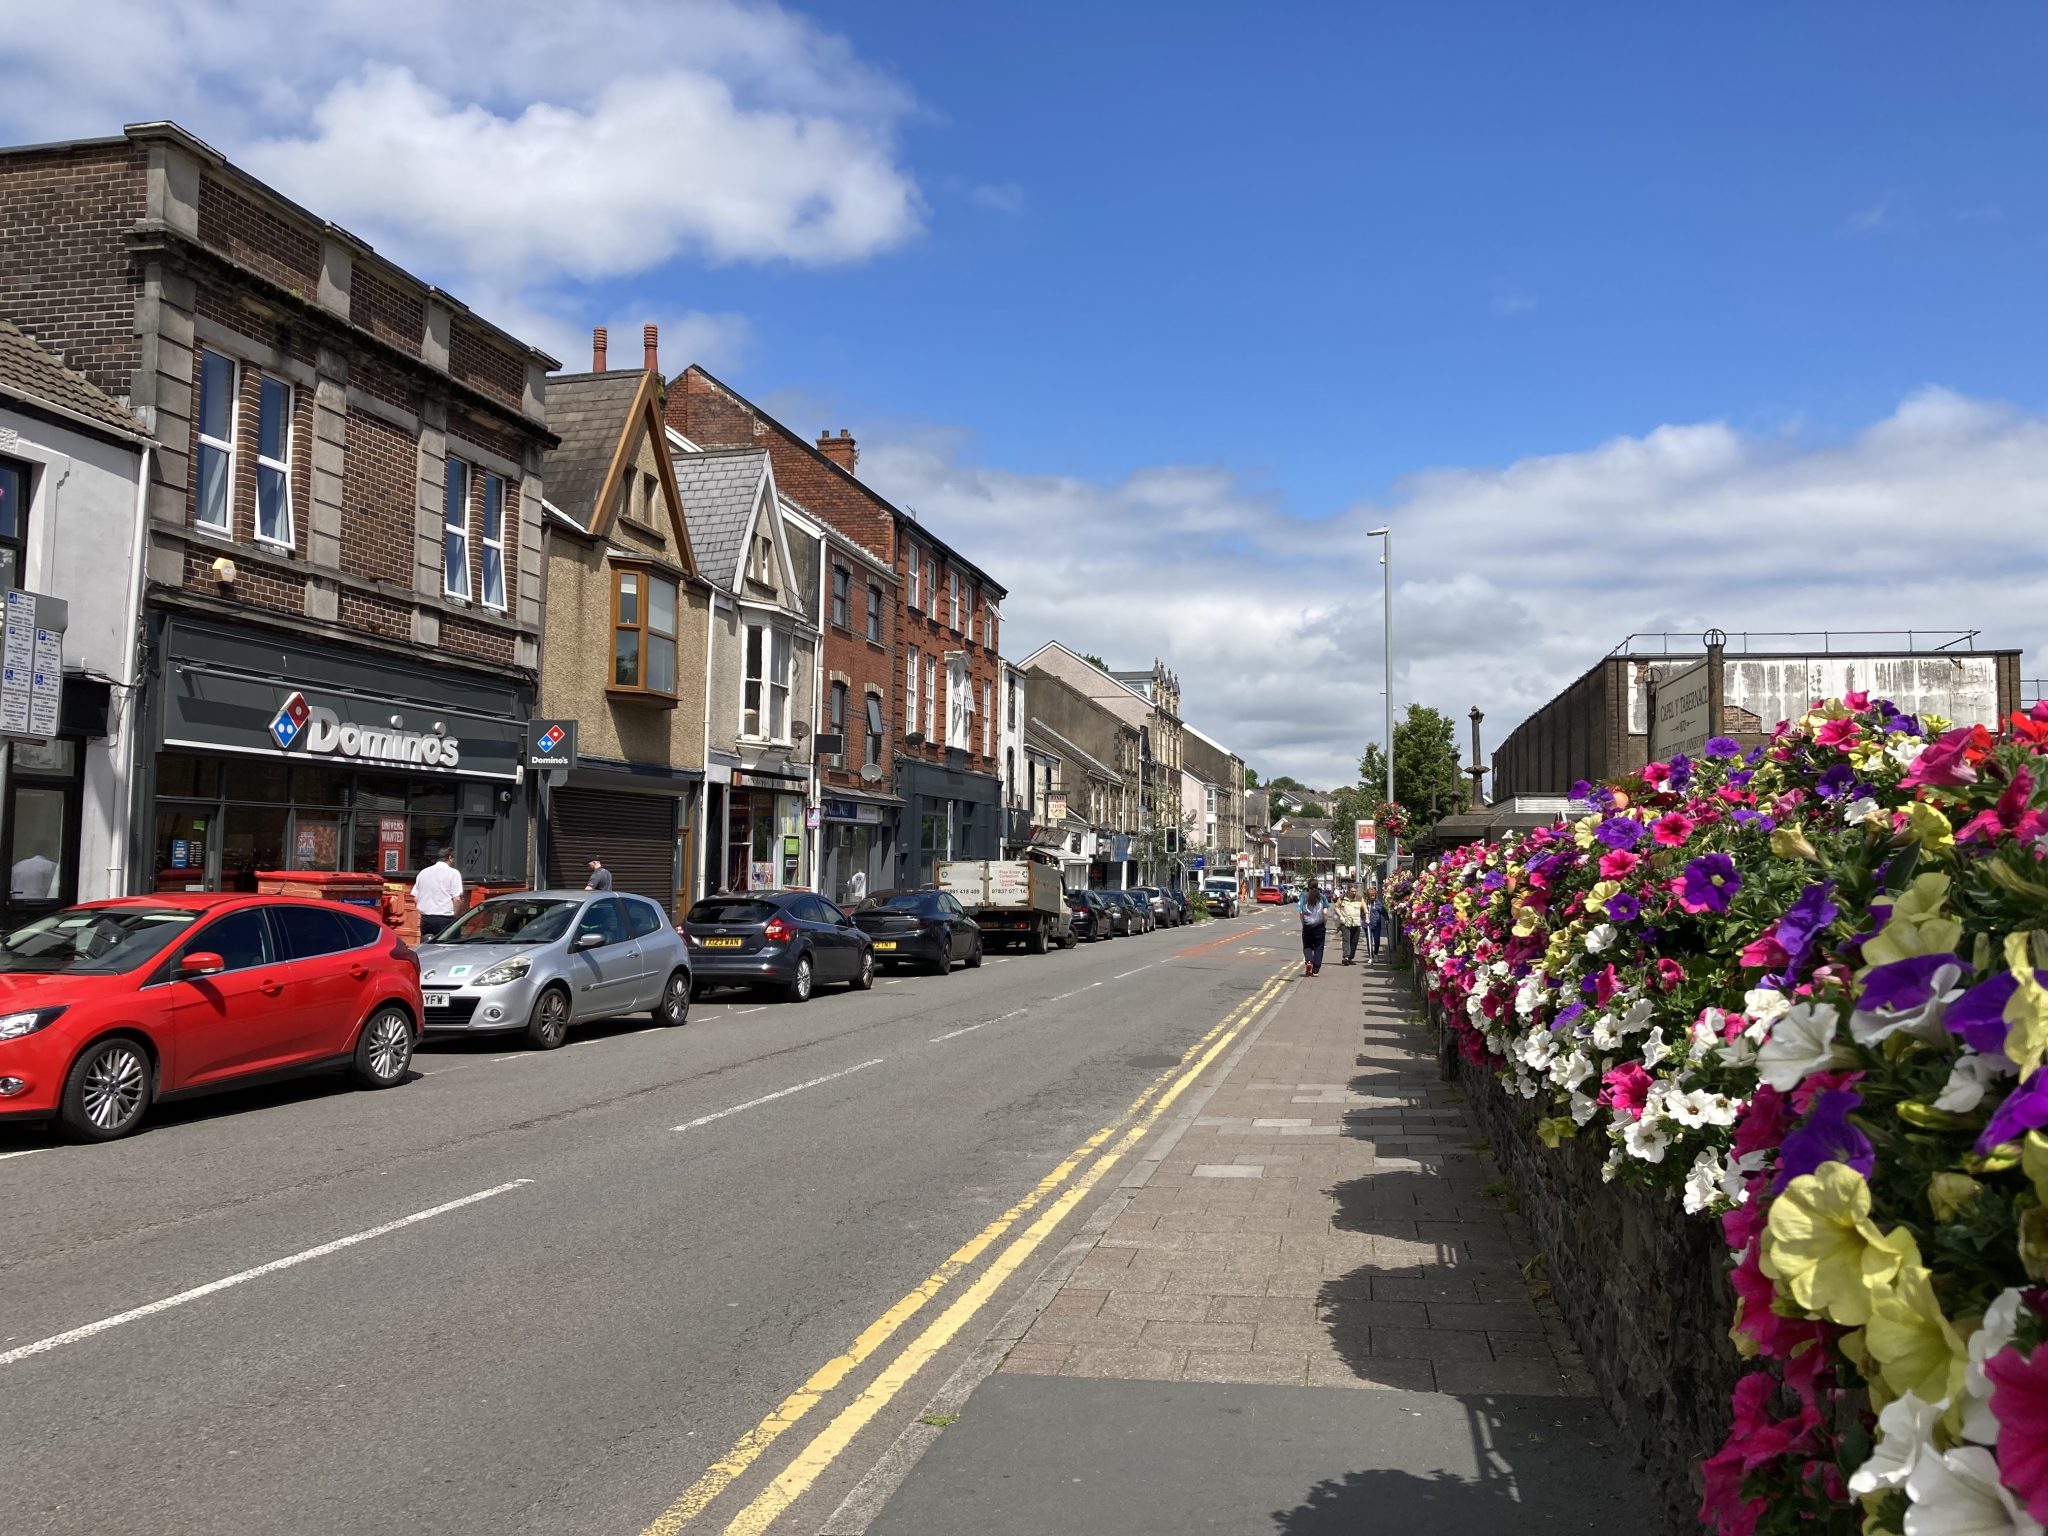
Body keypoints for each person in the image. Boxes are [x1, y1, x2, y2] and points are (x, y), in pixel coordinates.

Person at [413, 847, 463, 939]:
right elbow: (457, 899)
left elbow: (415, 897)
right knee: (447, 950)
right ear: (450, 857)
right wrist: (456, 916)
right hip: (445, 919)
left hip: (426, 919)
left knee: (427, 949)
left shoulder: (423, 873)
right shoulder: (453, 873)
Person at [1298, 879, 1329, 977]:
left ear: (1308, 887)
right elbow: (1325, 913)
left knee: (1307, 946)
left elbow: (1301, 913)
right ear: (1317, 886)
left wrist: (1304, 924)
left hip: (1307, 926)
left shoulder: (1303, 897)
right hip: (1319, 926)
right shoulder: (1322, 897)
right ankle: (1315, 970)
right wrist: (1324, 924)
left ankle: (1309, 961)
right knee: (1318, 948)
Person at [1333, 884, 1364, 965]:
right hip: (1345, 923)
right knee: (1346, 940)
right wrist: (1341, 916)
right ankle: (1346, 957)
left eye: (1355, 891)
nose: (1354, 893)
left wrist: (1367, 917)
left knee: (1354, 941)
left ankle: (1350, 958)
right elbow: (1336, 907)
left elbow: (1364, 908)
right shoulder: (1342, 897)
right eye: (1352, 891)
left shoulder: (1359, 898)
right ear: (1348, 890)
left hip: (1356, 923)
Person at [1368, 892, 1389, 962]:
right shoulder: (1366, 903)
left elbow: (1384, 912)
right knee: (1369, 941)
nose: (1372, 897)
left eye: (1373, 896)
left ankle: (1375, 953)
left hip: (1377, 924)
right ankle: (1370, 956)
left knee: (1376, 940)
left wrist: (1386, 919)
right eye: (1371, 896)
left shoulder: (1378, 903)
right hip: (1368, 925)